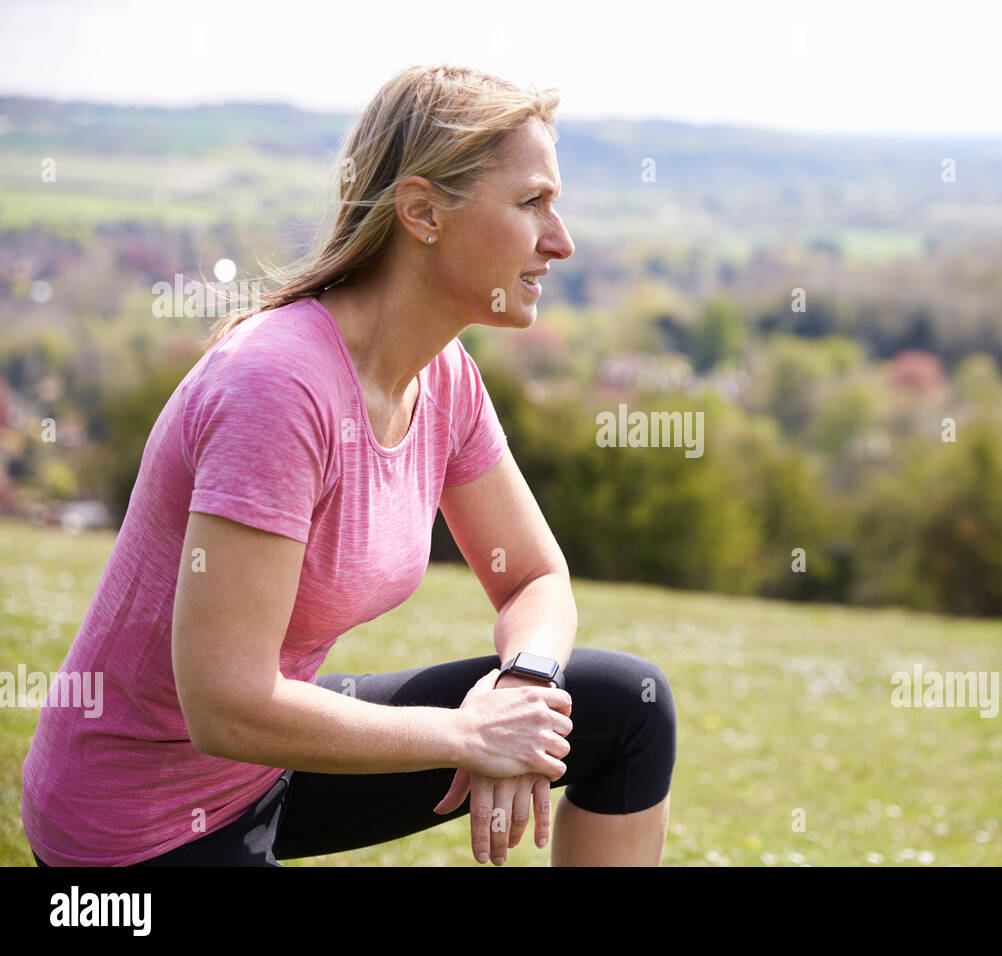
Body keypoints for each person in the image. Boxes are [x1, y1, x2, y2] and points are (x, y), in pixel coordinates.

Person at [20, 63, 676, 867]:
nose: (560, 240)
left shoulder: (443, 378)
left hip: (270, 768)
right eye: (532, 201)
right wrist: (468, 736)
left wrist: (524, 689)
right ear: (423, 212)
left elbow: (535, 578)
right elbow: (224, 705)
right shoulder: (277, 386)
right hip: (137, 829)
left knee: (627, 707)